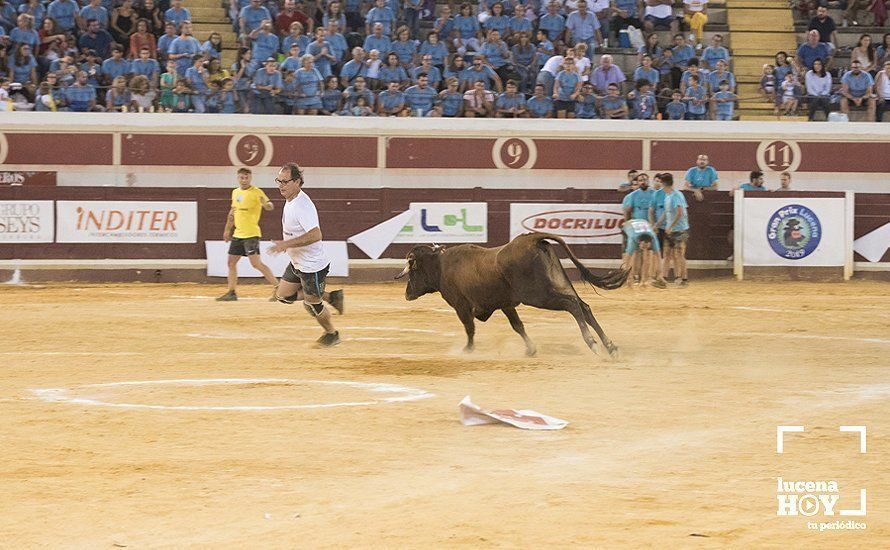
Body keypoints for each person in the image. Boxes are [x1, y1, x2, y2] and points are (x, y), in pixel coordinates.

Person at [268, 162, 345, 347]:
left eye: (285, 182)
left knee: (312, 303)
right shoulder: (291, 200)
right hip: (297, 263)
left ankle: (332, 334)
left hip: (312, 266)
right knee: (282, 296)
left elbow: (316, 234)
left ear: (297, 182)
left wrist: (286, 244)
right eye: (279, 181)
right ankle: (331, 297)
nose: (280, 185)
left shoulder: (302, 205)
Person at [217, 168, 280, 301]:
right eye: (241, 178)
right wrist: (227, 230)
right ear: (237, 178)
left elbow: (269, 205)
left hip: (251, 234)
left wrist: (266, 205)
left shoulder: (257, 192)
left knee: (256, 264)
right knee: (231, 262)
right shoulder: (235, 192)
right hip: (238, 234)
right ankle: (231, 292)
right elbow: (232, 213)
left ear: (250, 178)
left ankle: (279, 289)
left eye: (246, 178)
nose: (244, 180)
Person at [658, 173, 689, 287]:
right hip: (671, 230)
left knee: (679, 255)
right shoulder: (669, 196)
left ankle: (684, 279)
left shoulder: (676, 195)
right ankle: (663, 279)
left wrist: (670, 226)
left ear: (662, 183)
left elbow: (680, 213)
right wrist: (657, 225)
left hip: (680, 230)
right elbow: (666, 214)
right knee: (667, 254)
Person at [622, 219, 666, 288]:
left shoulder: (653, 238)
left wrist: (660, 274)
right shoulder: (632, 239)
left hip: (643, 223)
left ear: (650, 243)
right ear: (639, 243)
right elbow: (627, 260)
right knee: (629, 256)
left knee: (647, 258)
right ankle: (628, 279)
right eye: (643, 246)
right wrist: (628, 278)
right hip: (627, 226)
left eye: (646, 247)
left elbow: (658, 257)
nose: (644, 248)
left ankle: (644, 280)